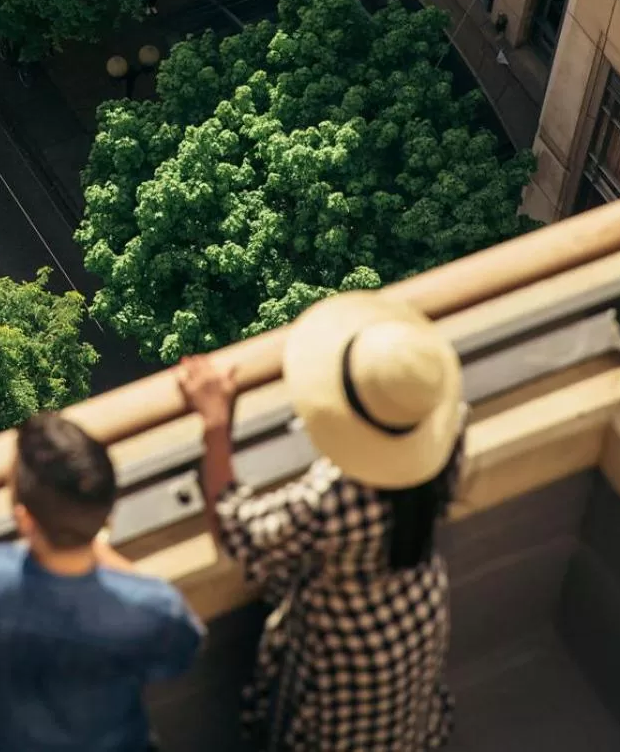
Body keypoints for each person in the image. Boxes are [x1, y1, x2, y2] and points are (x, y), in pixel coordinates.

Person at [177, 290, 466, 752]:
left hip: (348, 644)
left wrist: (215, 424)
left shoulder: (337, 497)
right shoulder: (447, 432)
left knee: (336, 730)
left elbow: (240, 532)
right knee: (400, 714)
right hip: (415, 611)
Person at [0, 412, 204, 752]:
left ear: (24, 519)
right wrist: (96, 548)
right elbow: (182, 650)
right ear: (107, 514)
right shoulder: (151, 610)